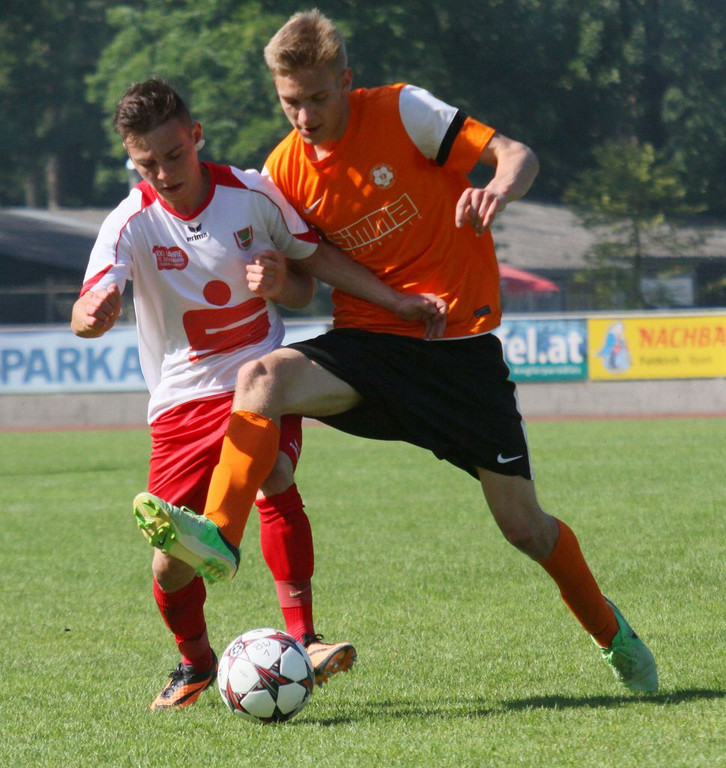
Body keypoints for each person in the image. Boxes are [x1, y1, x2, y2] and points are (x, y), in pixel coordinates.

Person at [134, 11, 658, 695]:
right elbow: (309, 268)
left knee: (525, 529)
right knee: (261, 378)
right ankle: (221, 537)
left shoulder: (404, 111)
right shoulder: (283, 170)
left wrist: (498, 187)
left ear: (345, 81)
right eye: (290, 102)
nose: (304, 116)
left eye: (317, 98)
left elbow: (517, 154)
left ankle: (612, 633)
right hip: (371, 345)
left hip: (459, 354)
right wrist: (299, 283)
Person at [73, 77, 447, 710]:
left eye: (173, 154)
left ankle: (305, 638)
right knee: (168, 565)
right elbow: (85, 312)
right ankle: (195, 663)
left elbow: (310, 274)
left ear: (196, 136)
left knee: (273, 471)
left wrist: (385, 299)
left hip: (262, 380)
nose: (163, 173)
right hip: (180, 403)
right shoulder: (129, 222)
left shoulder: (252, 193)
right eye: (146, 163)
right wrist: (95, 312)